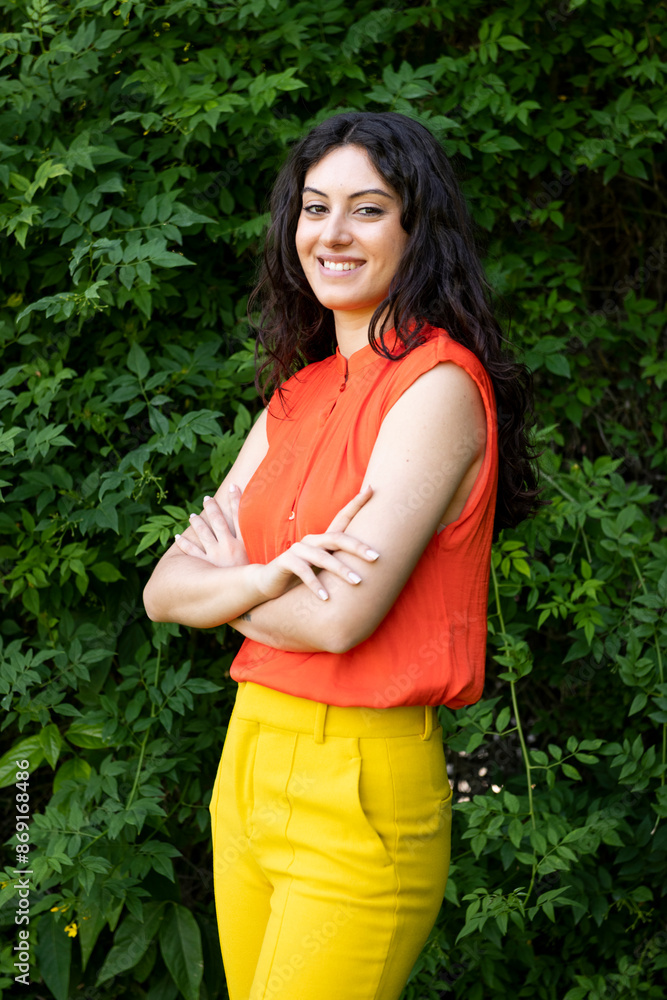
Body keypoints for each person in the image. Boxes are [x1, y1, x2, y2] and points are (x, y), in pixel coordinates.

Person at [143, 111, 543, 1000]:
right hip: (248, 762)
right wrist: (269, 577)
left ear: (416, 228)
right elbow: (163, 590)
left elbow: (337, 619)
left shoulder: (436, 387)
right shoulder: (297, 393)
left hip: (359, 786)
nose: (331, 233)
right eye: (314, 207)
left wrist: (228, 588)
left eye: (366, 209)